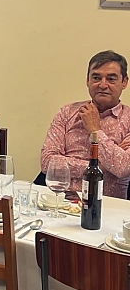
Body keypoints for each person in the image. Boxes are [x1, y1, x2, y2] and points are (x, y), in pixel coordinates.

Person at [41, 50, 130, 198]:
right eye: (96, 77)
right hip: (61, 201)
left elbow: (123, 168)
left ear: (124, 82)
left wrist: (95, 130)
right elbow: (47, 163)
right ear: (87, 81)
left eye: (111, 79)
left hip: (107, 206)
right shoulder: (67, 112)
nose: (103, 85)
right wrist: (98, 168)